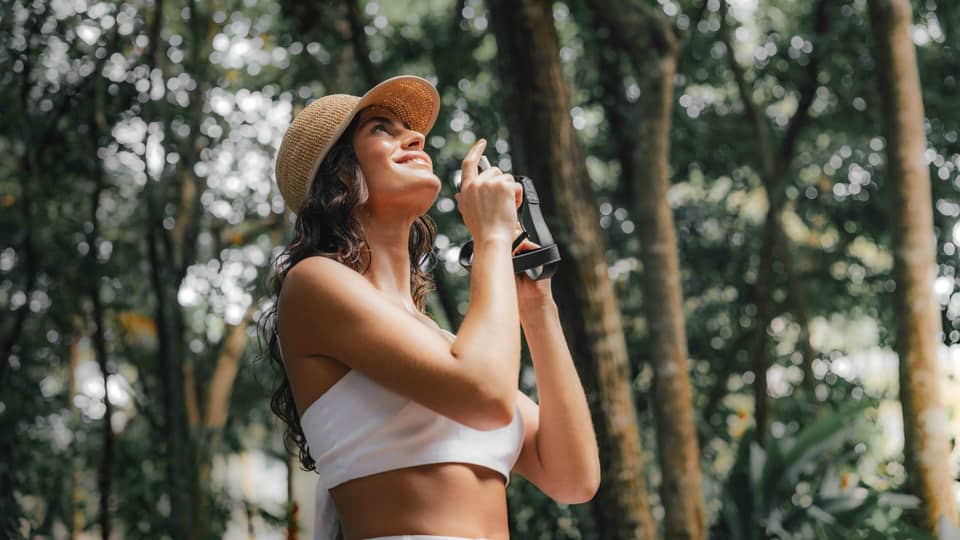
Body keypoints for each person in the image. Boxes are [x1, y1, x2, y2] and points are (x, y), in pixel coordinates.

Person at [258, 75, 599, 540]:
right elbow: (486, 397)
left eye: (410, 129)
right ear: (338, 173)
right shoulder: (313, 283)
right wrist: (494, 238)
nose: (416, 136)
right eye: (382, 128)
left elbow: (573, 477)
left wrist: (537, 307)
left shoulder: (447, 346)